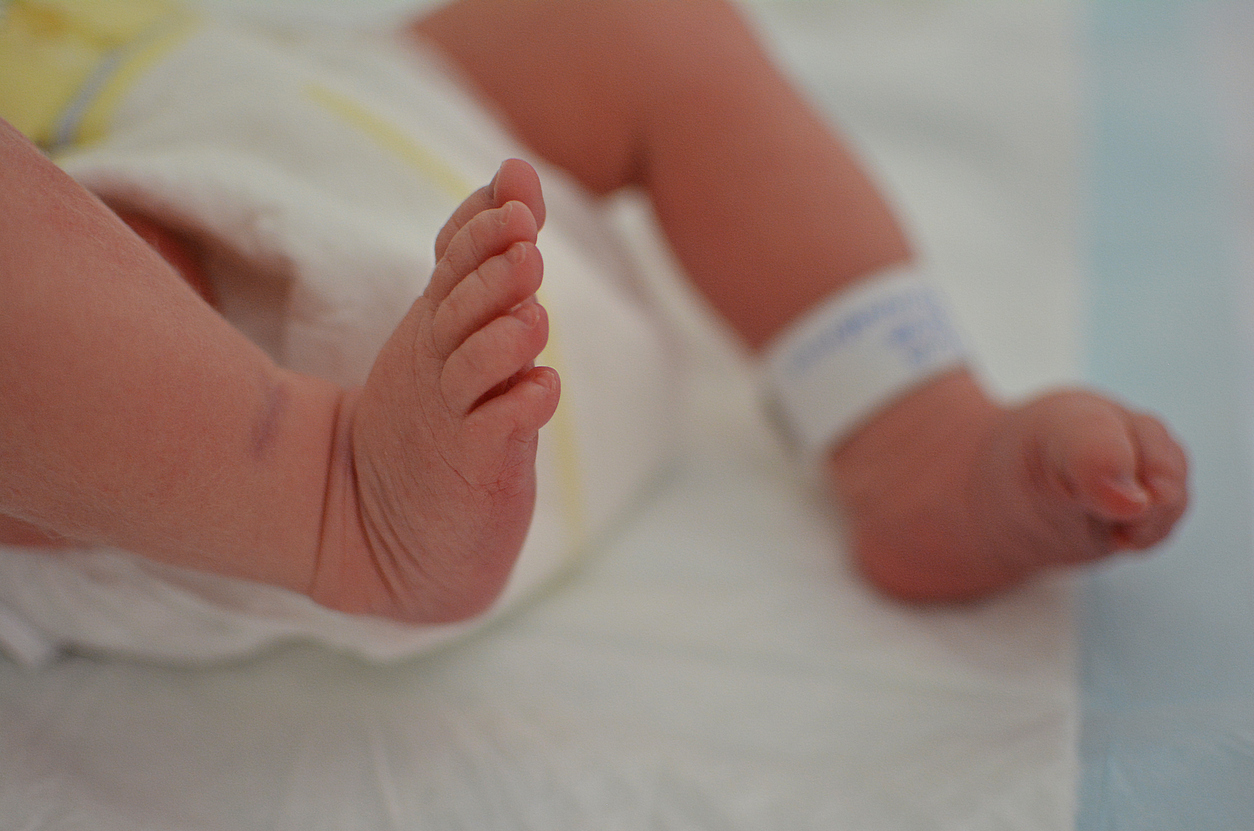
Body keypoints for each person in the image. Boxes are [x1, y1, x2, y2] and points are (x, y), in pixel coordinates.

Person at [0, 0, 1187, 633]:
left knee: (642, 23)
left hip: (297, 99)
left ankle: (902, 415)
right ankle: (333, 497)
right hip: (179, 388)